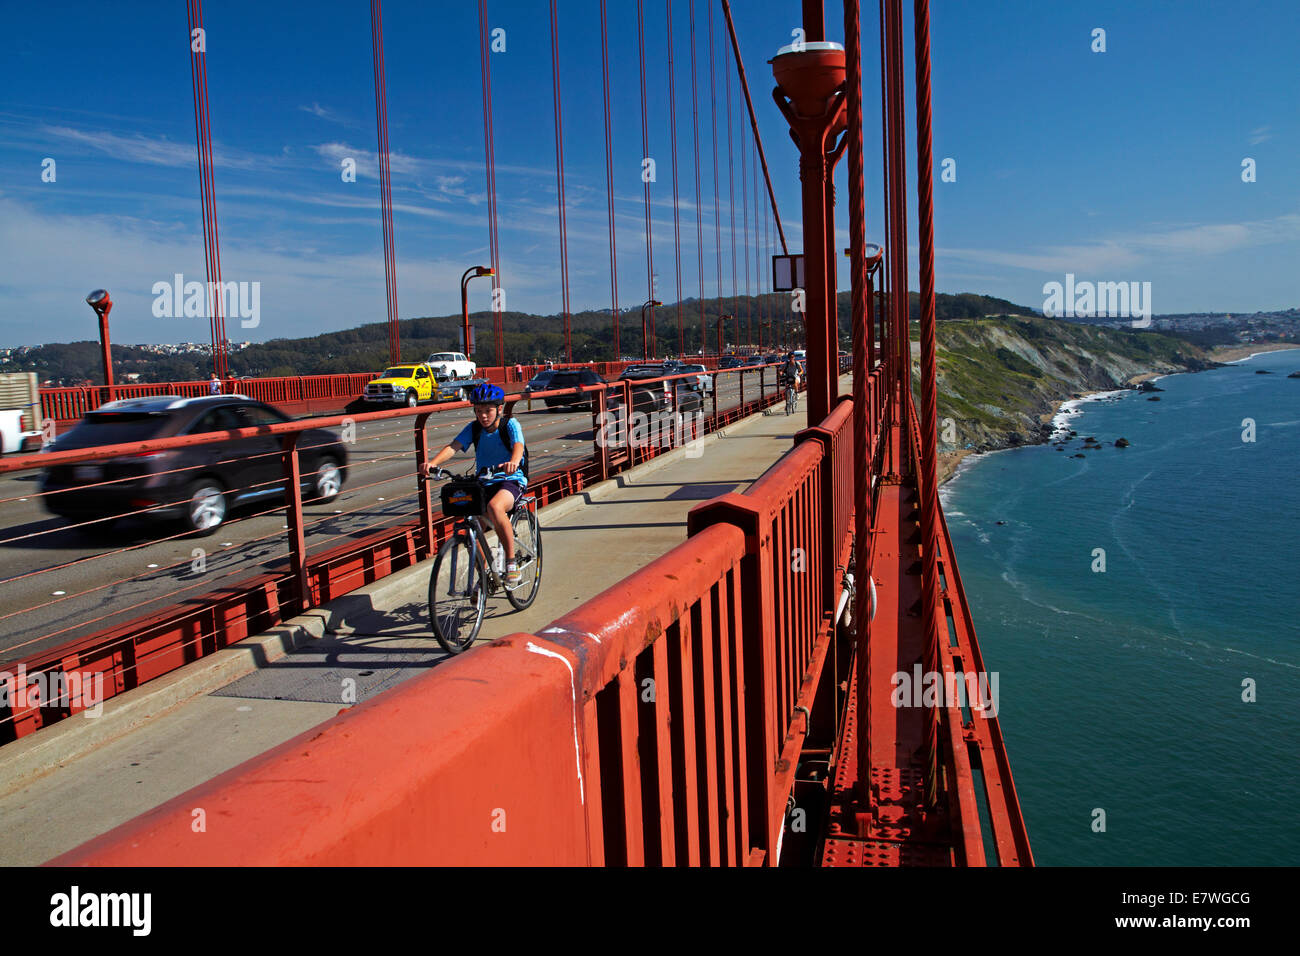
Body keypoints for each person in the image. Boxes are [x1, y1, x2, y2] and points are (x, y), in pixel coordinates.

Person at [424, 382, 527, 586]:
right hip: (484, 482)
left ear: (499, 409)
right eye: (478, 411)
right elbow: (454, 446)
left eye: (488, 410)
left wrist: (514, 462)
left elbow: (518, 446)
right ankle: (485, 574)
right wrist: (433, 463)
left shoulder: (510, 425)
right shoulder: (474, 428)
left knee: (494, 507)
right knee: (471, 527)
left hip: (510, 480)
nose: (483, 416)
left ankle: (510, 562)